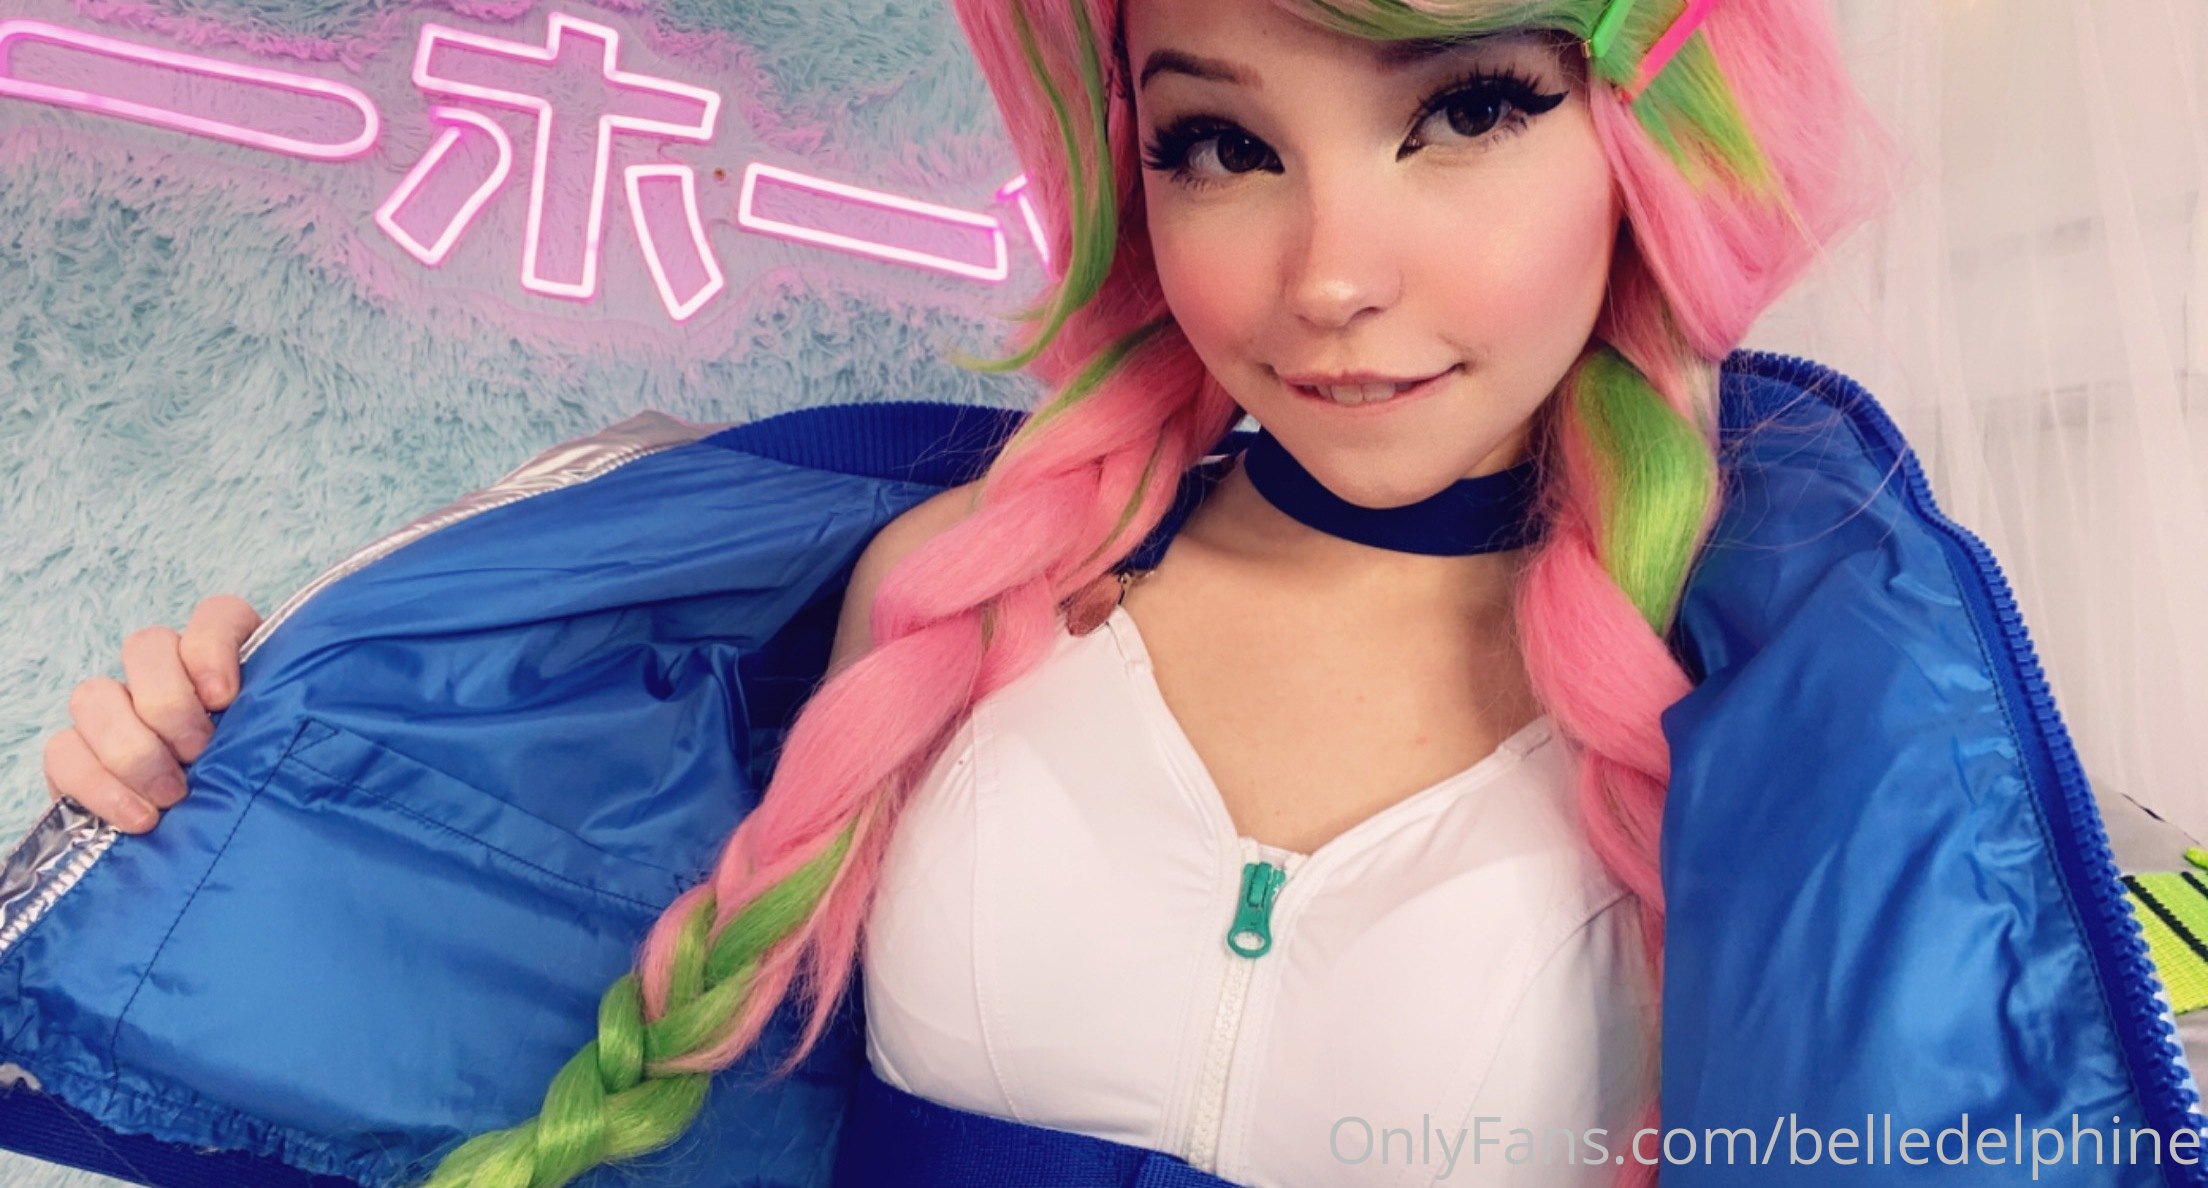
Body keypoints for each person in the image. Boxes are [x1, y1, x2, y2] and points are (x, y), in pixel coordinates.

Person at [17, 1, 2187, 1187]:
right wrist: (242, 765)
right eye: (1221, 142)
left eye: (1465, 110)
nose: (1329, 273)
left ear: (1654, 135)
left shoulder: (1818, 753)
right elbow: (477, 934)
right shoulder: (945, 595)